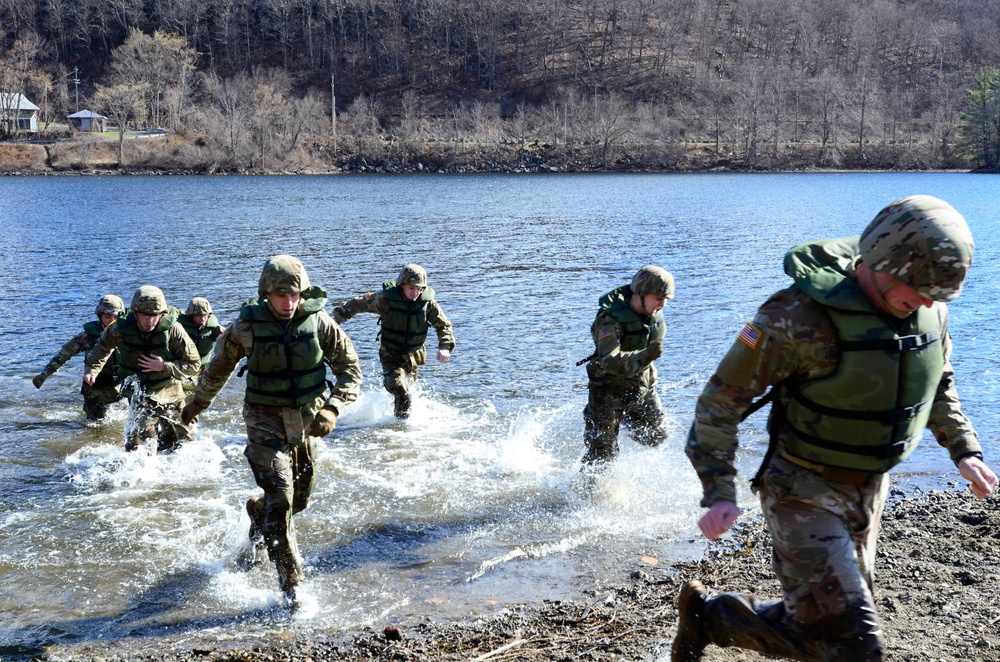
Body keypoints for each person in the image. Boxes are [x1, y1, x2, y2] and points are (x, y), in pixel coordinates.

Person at [674, 195, 999, 662]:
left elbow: (936, 384)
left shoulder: (929, 311)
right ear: (885, 259)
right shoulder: (793, 318)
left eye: (938, 293)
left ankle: (712, 619)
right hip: (800, 489)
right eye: (919, 286)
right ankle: (715, 618)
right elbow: (719, 404)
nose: (926, 300)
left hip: (870, 488)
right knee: (857, 644)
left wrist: (964, 451)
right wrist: (720, 491)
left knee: (820, 631)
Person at [181, 255, 361, 609]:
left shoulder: (320, 323)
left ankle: (258, 512)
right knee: (282, 498)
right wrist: (194, 407)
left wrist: (332, 408)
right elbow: (216, 370)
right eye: (281, 295)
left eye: (294, 295)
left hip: (308, 420)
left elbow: (351, 370)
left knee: (300, 500)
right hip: (263, 419)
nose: (288, 303)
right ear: (266, 293)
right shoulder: (245, 328)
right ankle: (293, 590)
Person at [84, 286, 201, 453]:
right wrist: (92, 370)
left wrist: (164, 366)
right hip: (139, 390)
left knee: (183, 441)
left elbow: (194, 365)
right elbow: (102, 348)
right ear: (135, 312)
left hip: (169, 388)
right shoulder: (119, 329)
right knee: (138, 445)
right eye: (146, 315)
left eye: (155, 315)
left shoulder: (174, 330)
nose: (150, 321)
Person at [331, 263, 454, 419]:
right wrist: (332, 323)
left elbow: (443, 325)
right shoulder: (385, 300)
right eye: (411, 288)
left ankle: (398, 426)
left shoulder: (428, 304)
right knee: (400, 389)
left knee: (406, 393)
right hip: (391, 353)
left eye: (419, 289)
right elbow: (355, 305)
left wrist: (445, 347)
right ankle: (402, 426)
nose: (415, 292)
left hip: (413, 356)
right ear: (402, 285)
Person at [581, 265, 674, 466]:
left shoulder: (652, 315)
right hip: (607, 394)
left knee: (657, 436)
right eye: (658, 298)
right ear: (641, 293)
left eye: (665, 299)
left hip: (641, 388)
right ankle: (581, 495)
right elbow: (610, 361)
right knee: (602, 457)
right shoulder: (610, 321)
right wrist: (646, 355)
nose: (663, 304)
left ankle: (625, 421)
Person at [33, 294, 127, 420]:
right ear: (100, 316)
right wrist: (45, 374)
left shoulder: (127, 335)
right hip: (95, 389)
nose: (111, 321)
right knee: (95, 425)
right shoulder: (87, 337)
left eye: (115, 317)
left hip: (121, 386)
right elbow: (64, 355)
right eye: (107, 317)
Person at [177, 297, 223, 383]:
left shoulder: (213, 328)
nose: (202, 319)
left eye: (205, 315)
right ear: (191, 315)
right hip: (185, 364)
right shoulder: (180, 326)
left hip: (203, 366)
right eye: (199, 315)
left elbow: (228, 338)